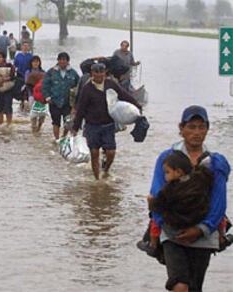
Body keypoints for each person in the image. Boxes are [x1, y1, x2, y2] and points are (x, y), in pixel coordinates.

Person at [148, 106, 230, 292]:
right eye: (191, 127)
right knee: (179, 286)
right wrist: (166, 226)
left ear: (207, 129)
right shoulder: (168, 158)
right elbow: (157, 194)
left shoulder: (216, 163)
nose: (197, 133)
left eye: (201, 127)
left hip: (203, 233)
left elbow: (219, 201)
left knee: (194, 286)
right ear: (181, 128)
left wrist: (202, 229)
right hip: (171, 232)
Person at [71, 63, 141, 180]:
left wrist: (137, 105)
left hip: (108, 125)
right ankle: (97, 179)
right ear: (92, 74)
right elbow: (81, 109)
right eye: (96, 72)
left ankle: (106, 169)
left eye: (101, 72)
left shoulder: (111, 84)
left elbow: (124, 95)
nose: (99, 75)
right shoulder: (87, 89)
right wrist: (75, 127)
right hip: (92, 126)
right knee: (94, 153)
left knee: (111, 152)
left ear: (105, 72)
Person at [42, 52, 79, 141]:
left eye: (64, 60)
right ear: (58, 61)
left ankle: (64, 137)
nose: (62, 62)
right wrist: (47, 97)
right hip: (54, 101)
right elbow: (45, 86)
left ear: (68, 61)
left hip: (68, 102)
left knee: (68, 122)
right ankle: (57, 139)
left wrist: (76, 102)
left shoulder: (73, 73)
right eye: (60, 60)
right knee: (56, 122)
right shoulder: (51, 72)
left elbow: (78, 86)